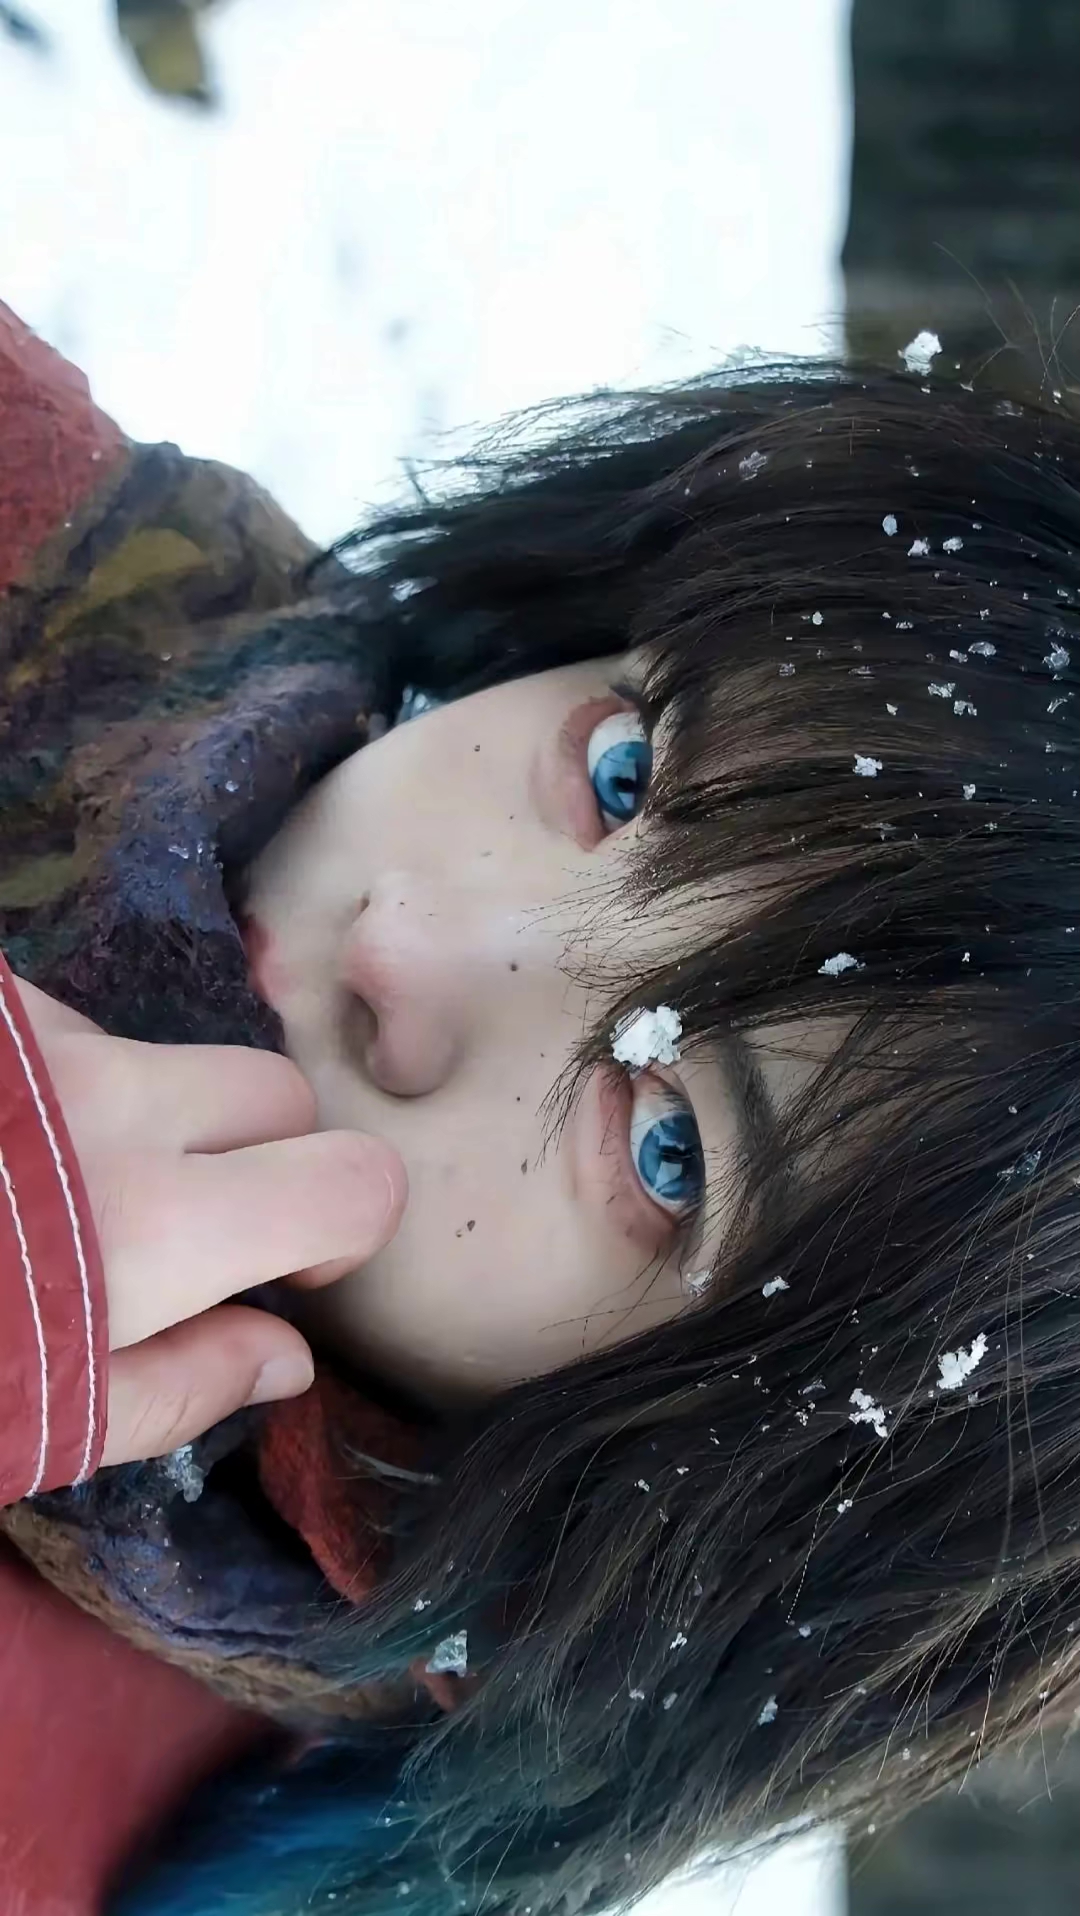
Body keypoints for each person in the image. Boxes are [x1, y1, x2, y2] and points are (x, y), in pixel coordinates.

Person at [3, 324, 1079, 1916]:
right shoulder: (52, 543)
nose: (409, 946)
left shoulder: (110, 1819)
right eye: (627, 778)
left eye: (668, 1149)